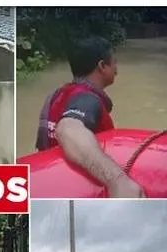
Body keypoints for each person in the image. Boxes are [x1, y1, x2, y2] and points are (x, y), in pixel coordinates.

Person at [35, 36, 144, 198]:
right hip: (77, 190)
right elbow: (67, 129)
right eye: (114, 62)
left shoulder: (56, 96)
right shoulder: (87, 99)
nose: (117, 69)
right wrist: (118, 180)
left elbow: (40, 151)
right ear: (102, 66)